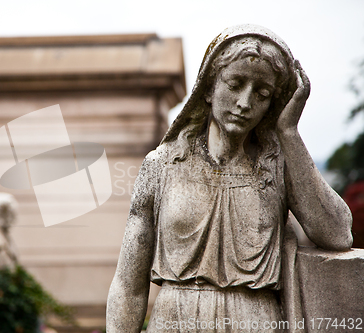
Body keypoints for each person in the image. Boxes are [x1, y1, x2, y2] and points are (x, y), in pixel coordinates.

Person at [106, 25, 353, 333]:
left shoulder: (277, 168)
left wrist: (288, 133)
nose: (245, 103)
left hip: (256, 322)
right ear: (209, 88)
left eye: (262, 94)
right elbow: (129, 284)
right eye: (235, 84)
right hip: (175, 320)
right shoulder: (161, 166)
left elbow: (338, 234)